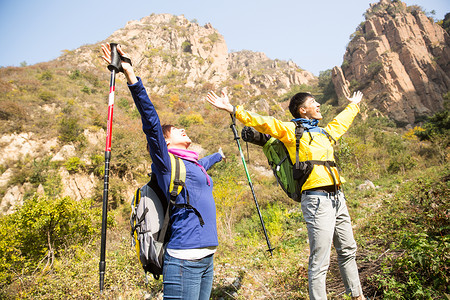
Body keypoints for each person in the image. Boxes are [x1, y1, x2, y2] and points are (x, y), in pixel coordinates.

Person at [206, 89, 366, 300]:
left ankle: (357, 296)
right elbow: (265, 122)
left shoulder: (324, 133)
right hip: (317, 200)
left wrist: (354, 105)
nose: (318, 105)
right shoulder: (291, 130)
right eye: (313, 102)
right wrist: (233, 109)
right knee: (321, 259)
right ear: (303, 110)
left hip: (338, 197)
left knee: (347, 250)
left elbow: (340, 123)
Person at [101, 43, 224, 300]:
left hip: (207, 257)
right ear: (165, 142)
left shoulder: (193, 164)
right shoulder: (166, 164)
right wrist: (130, 75)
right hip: (184, 260)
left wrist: (219, 156)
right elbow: (151, 122)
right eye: (176, 129)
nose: (182, 129)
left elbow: (204, 166)